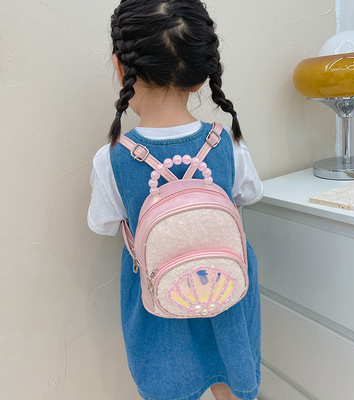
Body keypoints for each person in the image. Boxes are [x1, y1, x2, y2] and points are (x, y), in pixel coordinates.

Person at [87, 1, 264, 399]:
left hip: (157, 295)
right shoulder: (226, 143)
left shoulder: (111, 158)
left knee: (170, 379)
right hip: (224, 285)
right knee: (231, 373)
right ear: (201, 75)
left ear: (120, 67)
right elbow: (250, 194)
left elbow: (103, 223)